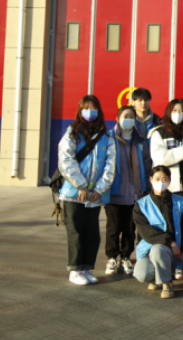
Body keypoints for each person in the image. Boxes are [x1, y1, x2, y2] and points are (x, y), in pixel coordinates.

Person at [58, 95, 116, 286]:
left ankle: (86, 268)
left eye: (93, 108)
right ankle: (75, 270)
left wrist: (100, 188)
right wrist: (81, 185)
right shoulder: (72, 133)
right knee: (76, 232)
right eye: (86, 107)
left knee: (92, 233)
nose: (90, 111)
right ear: (80, 110)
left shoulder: (106, 137)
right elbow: (66, 160)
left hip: (95, 195)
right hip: (73, 193)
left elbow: (110, 165)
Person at [150, 99, 183, 279]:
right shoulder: (158, 133)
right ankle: (168, 263)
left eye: (181, 110)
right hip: (170, 188)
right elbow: (160, 157)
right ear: (168, 112)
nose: (178, 114)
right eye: (174, 110)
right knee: (170, 228)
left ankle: (181, 265)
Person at [105, 106, 150, 276]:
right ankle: (111, 257)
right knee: (113, 228)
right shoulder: (109, 138)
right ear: (117, 119)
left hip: (135, 193)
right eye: (125, 116)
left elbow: (147, 164)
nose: (129, 119)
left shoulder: (140, 140)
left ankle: (125, 256)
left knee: (130, 229)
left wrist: (147, 187)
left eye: (132, 116)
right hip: (114, 193)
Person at [133, 166, 183, 299]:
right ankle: (156, 279)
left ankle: (166, 284)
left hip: (173, 253)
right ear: (151, 180)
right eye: (157, 179)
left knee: (159, 249)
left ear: (169, 180)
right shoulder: (141, 204)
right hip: (151, 248)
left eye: (164, 178)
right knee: (142, 274)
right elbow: (146, 232)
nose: (161, 182)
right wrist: (170, 242)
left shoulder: (180, 201)